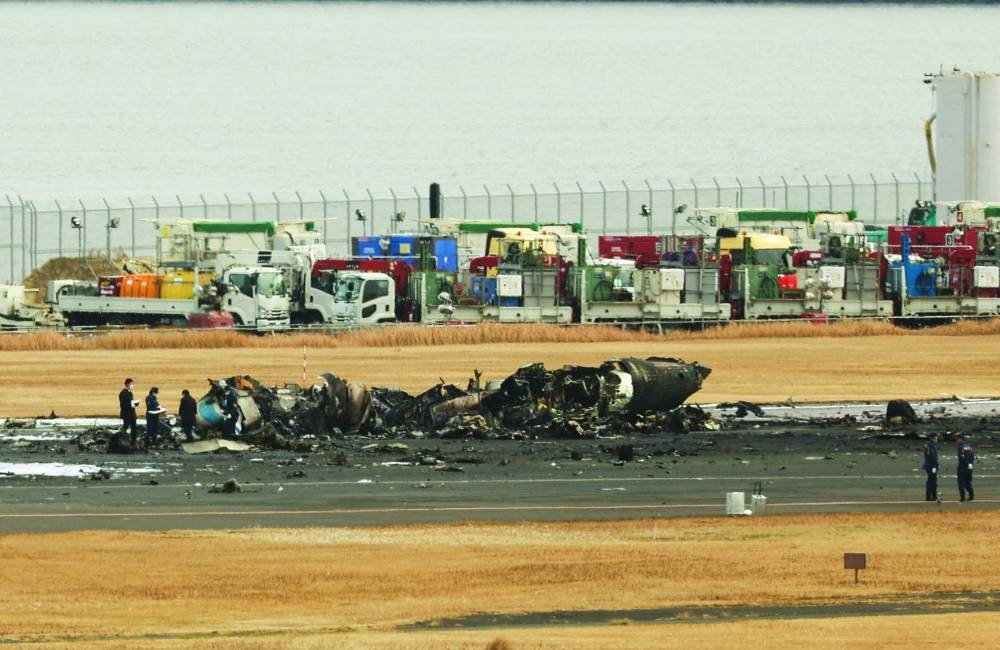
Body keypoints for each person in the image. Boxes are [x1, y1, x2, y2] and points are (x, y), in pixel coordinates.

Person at [118, 378, 139, 445]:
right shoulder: (124, 393)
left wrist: (134, 404)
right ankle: (120, 440)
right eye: (131, 384)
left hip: (131, 414)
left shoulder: (129, 392)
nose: (132, 385)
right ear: (127, 384)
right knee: (125, 427)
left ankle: (133, 441)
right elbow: (123, 404)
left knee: (134, 428)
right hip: (127, 414)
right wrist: (132, 404)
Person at [922, 432, 941, 503]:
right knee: (931, 481)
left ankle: (932, 496)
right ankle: (930, 496)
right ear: (934, 437)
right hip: (931, 465)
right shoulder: (931, 445)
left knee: (932, 481)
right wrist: (934, 466)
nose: (937, 438)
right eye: (937, 437)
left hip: (930, 465)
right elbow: (931, 457)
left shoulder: (930, 444)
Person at [956, 433, 975, 502]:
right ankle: (971, 495)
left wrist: (966, 463)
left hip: (962, 467)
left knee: (961, 482)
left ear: (961, 439)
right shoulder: (969, 447)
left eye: (957, 439)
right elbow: (972, 456)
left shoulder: (960, 447)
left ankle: (962, 497)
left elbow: (962, 457)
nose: (957, 440)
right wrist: (970, 464)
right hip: (970, 467)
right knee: (968, 482)